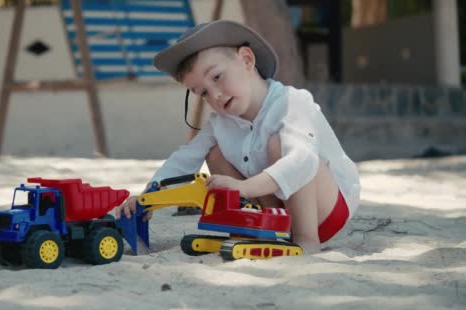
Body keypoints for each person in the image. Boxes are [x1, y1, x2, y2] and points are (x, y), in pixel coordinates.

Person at [115, 20, 360, 253]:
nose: (215, 95)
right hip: (277, 209)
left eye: (217, 77)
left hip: (325, 212)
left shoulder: (292, 102)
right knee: (214, 153)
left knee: (281, 146)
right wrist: (149, 196)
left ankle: (306, 240)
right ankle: (264, 230)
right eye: (203, 93)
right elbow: (186, 157)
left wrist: (244, 187)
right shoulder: (220, 122)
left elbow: (303, 161)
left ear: (246, 59)